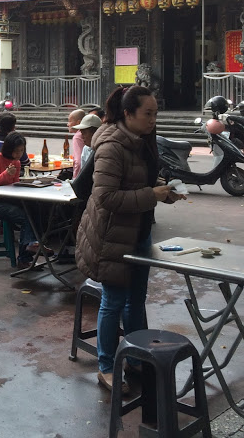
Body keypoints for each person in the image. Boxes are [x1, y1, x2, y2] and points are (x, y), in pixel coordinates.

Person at [75, 85, 185, 393]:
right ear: (128, 114)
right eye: (147, 114)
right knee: (113, 302)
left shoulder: (142, 141)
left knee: (136, 300)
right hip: (112, 236)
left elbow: (139, 181)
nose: (153, 120)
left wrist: (164, 191)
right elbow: (106, 197)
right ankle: (106, 367)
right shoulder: (112, 145)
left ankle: (135, 357)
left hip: (138, 232)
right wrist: (152, 195)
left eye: (155, 114)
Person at [0, 132, 45, 265]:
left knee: (34, 205)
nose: (19, 154)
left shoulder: (16, 163)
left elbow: (13, 185)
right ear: (8, 149)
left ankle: (36, 242)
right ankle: (24, 257)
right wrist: (6, 174)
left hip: (2, 196)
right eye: (16, 151)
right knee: (24, 217)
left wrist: (5, 194)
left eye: (21, 150)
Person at [67, 109, 86, 177]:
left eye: (70, 121)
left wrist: (75, 178)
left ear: (79, 122)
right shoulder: (85, 133)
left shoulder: (78, 137)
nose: (68, 124)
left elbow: (78, 162)